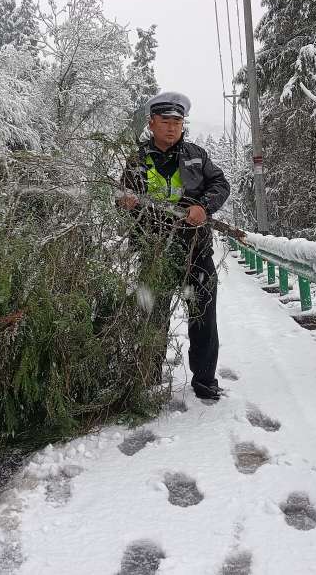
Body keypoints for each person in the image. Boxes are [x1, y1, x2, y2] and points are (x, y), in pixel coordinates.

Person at [118, 91, 230, 401]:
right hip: (153, 250)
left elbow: (221, 184)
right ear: (152, 123)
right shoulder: (137, 160)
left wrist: (204, 207)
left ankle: (205, 380)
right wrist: (125, 203)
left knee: (203, 314)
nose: (171, 127)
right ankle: (148, 376)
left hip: (195, 249)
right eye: (165, 121)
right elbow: (122, 196)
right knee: (152, 313)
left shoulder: (197, 155)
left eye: (177, 121)